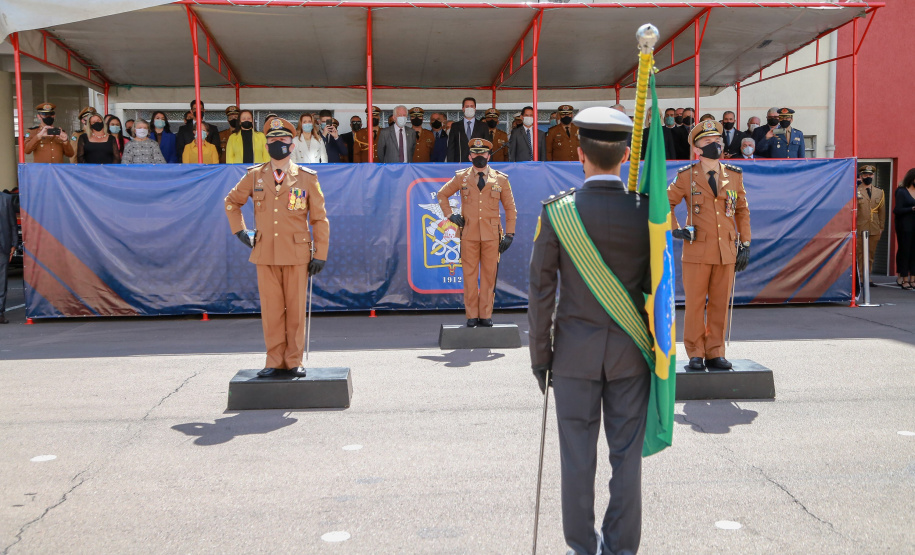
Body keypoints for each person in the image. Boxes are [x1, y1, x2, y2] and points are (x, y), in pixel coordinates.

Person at [528, 106, 650, 555]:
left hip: (574, 358)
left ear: (580, 155)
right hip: (632, 355)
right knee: (627, 460)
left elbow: (540, 293)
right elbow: (660, 289)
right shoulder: (646, 213)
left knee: (577, 461)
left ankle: (582, 547)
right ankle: (621, 548)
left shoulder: (558, 213)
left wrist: (541, 358)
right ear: (624, 156)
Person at [224, 117, 329, 378]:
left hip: (296, 254)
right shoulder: (255, 175)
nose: (277, 143)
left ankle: (294, 360)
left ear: (292, 146)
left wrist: (320, 254)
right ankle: (273, 359)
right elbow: (231, 202)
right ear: (266, 144)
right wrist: (239, 230)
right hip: (265, 253)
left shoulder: (306, 178)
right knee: (271, 311)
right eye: (272, 139)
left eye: (282, 140)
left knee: (295, 309)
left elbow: (319, 218)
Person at [668, 119, 751, 371]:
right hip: (697, 250)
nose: (715, 145)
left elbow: (741, 210)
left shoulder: (734, 176)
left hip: (726, 250)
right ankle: (695, 352)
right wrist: (676, 229)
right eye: (708, 142)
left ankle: (715, 351)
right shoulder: (686, 176)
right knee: (694, 304)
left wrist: (745, 243)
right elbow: (664, 201)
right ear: (697, 149)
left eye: (717, 141)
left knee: (719, 303)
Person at [436, 138, 516, 327]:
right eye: (476, 154)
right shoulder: (461, 177)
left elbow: (510, 208)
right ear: (470, 155)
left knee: (489, 277)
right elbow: (442, 194)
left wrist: (510, 234)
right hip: (469, 235)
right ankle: (471, 316)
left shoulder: (501, 179)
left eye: (483, 154)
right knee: (470, 277)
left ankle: (485, 315)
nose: (479, 157)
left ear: (488, 155)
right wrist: (450, 215)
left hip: (492, 236)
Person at [856, 165, 886, 287]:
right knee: (859, 253)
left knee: (870, 254)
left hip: (874, 227)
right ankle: (859, 277)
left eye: (870, 175)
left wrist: (881, 227)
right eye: (865, 175)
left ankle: (867, 277)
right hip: (860, 226)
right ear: (861, 176)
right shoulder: (856, 190)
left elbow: (882, 211)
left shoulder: (879, 191)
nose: (868, 177)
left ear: (873, 176)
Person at [447, 97, 488, 162]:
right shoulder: (455, 126)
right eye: (467, 106)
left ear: (475, 109)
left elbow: (487, 147)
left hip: (478, 163)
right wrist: (451, 164)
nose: (469, 108)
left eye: (471, 106)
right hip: (460, 163)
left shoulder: (483, 126)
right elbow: (451, 148)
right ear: (463, 109)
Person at [893, 169, 915, 289]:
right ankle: (904, 277)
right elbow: (897, 210)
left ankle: (913, 278)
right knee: (905, 251)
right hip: (904, 226)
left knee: (914, 252)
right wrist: (911, 209)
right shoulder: (902, 191)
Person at [0, 189, 16, 324]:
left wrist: (14, 244)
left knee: (2, 281)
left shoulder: (6, 199)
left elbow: (12, 223)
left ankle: (0, 312)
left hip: (3, 247)